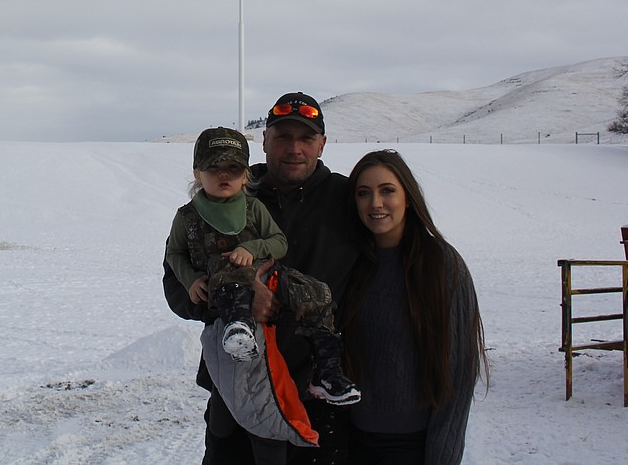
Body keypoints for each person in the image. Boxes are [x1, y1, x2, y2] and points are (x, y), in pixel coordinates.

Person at [164, 93, 361, 465]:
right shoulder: (224, 194)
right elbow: (175, 286)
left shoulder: (346, 200)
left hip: (314, 398)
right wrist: (228, 297)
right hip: (236, 393)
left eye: (306, 138)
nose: (294, 148)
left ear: (322, 144)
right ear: (265, 140)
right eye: (283, 136)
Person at [340, 150, 488, 465]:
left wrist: (442, 455)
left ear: (409, 196)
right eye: (364, 193)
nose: (375, 203)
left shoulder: (441, 264)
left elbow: (460, 371)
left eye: (387, 191)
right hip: (350, 441)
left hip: (411, 447)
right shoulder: (352, 264)